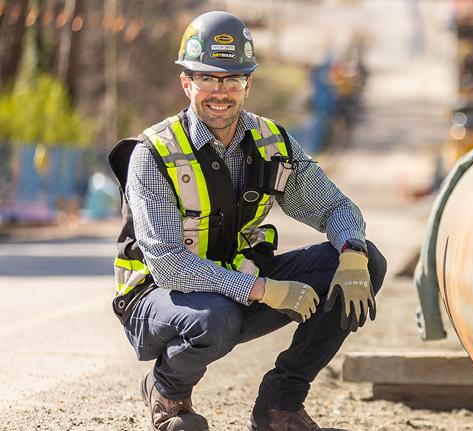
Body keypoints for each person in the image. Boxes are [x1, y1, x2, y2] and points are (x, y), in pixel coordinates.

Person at [107, 11, 387, 431]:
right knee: (214, 318)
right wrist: (261, 289)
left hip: (236, 284)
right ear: (187, 82)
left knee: (368, 263)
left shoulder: (271, 143)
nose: (220, 91)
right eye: (208, 78)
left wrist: (351, 252)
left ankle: (280, 405)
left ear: (247, 84)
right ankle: (168, 395)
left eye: (232, 79)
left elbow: (335, 207)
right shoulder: (154, 154)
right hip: (157, 299)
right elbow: (167, 262)